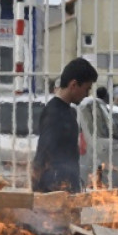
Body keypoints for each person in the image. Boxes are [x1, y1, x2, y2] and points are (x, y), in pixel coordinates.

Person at [31, 57, 98, 193]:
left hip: (65, 187)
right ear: (73, 85)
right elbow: (43, 152)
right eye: (86, 89)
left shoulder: (68, 111)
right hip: (55, 189)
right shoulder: (54, 113)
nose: (87, 94)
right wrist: (37, 189)